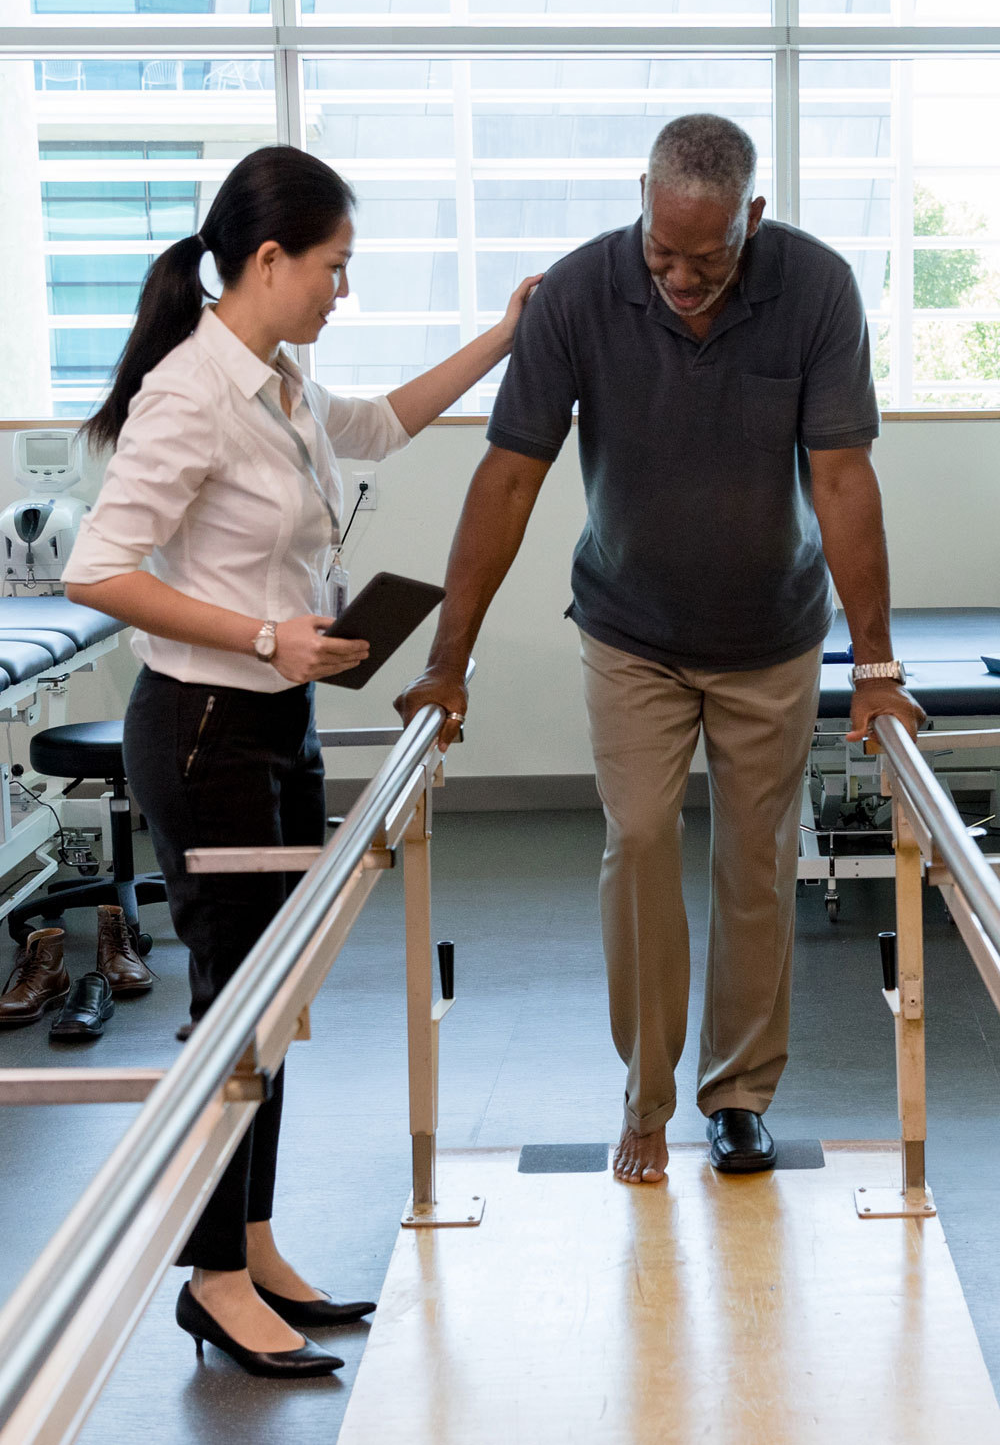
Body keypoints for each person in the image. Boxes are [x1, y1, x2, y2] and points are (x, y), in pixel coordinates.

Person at [63, 144, 539, 1378]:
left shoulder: (279, 378)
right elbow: (96, 573)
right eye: (333, 267)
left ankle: (255, 1242)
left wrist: (503, 337)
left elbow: (380, 424)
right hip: (205, 728)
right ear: (268, 260)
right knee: (232, 1010)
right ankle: (212, 1278)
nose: (343, 290)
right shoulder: (190, 392)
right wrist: (266, 634)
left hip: (277, 723)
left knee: (275, 1008)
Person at [396, 114, 924, 1188]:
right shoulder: (578, 294)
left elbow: (841, 478)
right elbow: (509, 477)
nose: (680, 278)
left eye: (707, 258)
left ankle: (737, 1096)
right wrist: (447, 661)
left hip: (771, 635)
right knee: (638, 839)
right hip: (629, 628)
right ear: (640, 200)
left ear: (753, 219)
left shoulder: (817, 289)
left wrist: (874, 666)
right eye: (661, 252)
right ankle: (645, 1094)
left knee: (755, 864)